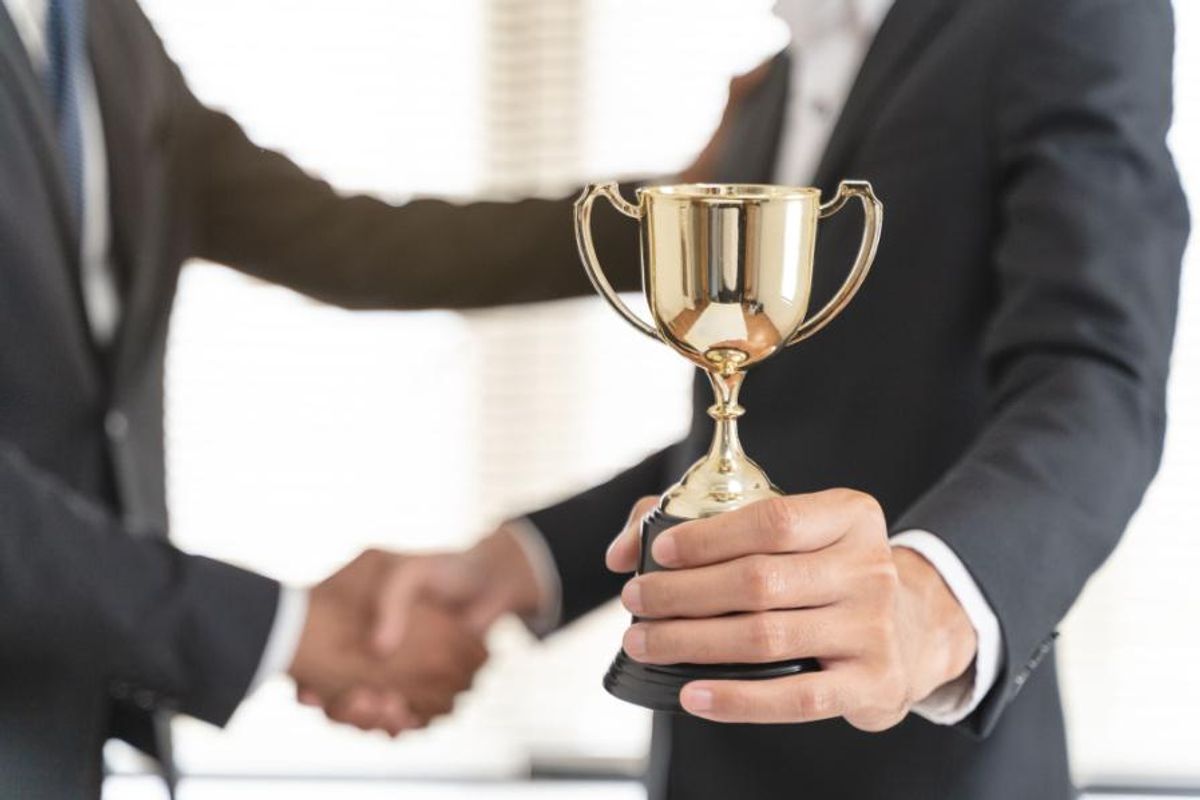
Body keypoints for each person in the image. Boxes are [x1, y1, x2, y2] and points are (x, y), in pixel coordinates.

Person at [360, 0, 1190, 798]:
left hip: (922, 765)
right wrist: (523, 560)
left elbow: (1094, 374)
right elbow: (785, 417)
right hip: (704, 751)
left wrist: (931, 603)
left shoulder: (1068, 11)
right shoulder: (772, 84)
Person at [0, 0, 640, 795]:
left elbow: (351, 243)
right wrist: (287, 630)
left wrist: (682, 222)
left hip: (62, 718)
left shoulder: (101, 25)